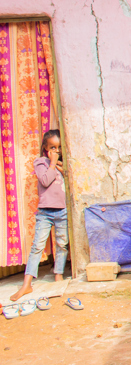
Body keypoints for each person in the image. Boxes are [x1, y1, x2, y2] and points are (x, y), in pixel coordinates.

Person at [9, 129, 68, 302]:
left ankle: (58, 274)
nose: (56, 151)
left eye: (58, 148)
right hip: (45, 213)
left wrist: (61, 168)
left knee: (62, 244)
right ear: (45, 148)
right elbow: (45, 180)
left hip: (62, 211)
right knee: (37, 246)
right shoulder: (41, 162)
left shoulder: (62, 165)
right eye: (52, 148)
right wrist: (52, 164)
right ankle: (27, 284)